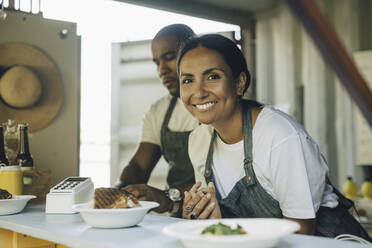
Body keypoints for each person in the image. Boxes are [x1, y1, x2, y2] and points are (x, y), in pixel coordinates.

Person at [176, 33, 370, 239]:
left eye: (212, 76)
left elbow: (301, 236)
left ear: (240, 83)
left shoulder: (280, 136)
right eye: (188, 80)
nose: (199, 92)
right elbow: (226, 228)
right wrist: (207, 223)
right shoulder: (198, 141)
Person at [116, 24, 199, 215]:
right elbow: (138, 166)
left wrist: (168, 197)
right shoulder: (159, 111)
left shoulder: (216, 107)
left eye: (169, 58)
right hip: (179, 215)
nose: (161, 70)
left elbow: (222, 181)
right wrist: (121, 190)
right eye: (156, 62)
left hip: (215, 212)